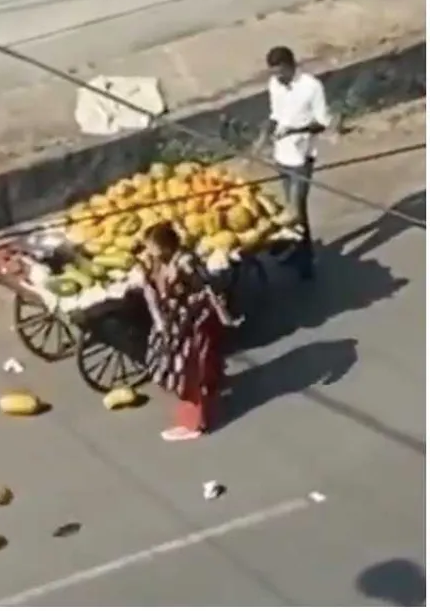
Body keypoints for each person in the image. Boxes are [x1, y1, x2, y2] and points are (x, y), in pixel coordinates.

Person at [139, 222, 242, 442]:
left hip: (193, 321)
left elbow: (203, 288)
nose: (149, 252)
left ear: (164, 246)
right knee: (200, 362)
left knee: (189, 370)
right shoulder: (159, 263)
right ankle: (213, 387)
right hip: (177, 321)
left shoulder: (185, 263)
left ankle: (195, 422)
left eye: (151, 247)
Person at [257, 45, 332, 281]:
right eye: (274, 72)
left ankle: (304, 260)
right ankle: (302, 253)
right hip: (282, 156)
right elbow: (275, 114)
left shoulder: (311, 87)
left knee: (296, 209)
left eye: (281, 71)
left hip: (302, 156)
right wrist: (264, 134)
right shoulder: (274, 86)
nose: (278, 77)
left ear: (291, 65)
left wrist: (295, 130)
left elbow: (322, 122)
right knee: (293, 210)